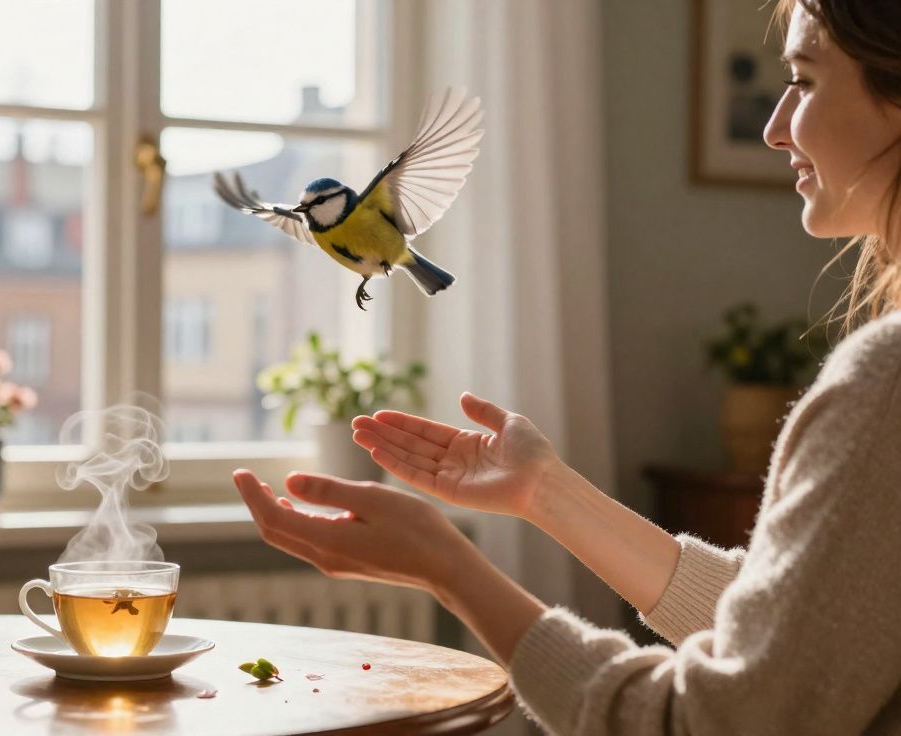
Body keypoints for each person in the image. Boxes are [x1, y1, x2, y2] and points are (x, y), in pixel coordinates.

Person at [232, 1, 901, 733]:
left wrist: (448, 569)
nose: (774, 127)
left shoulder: (884, 383)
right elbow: (805, 634)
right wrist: (546, 493)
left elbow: (714, 721)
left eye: (803, 81)